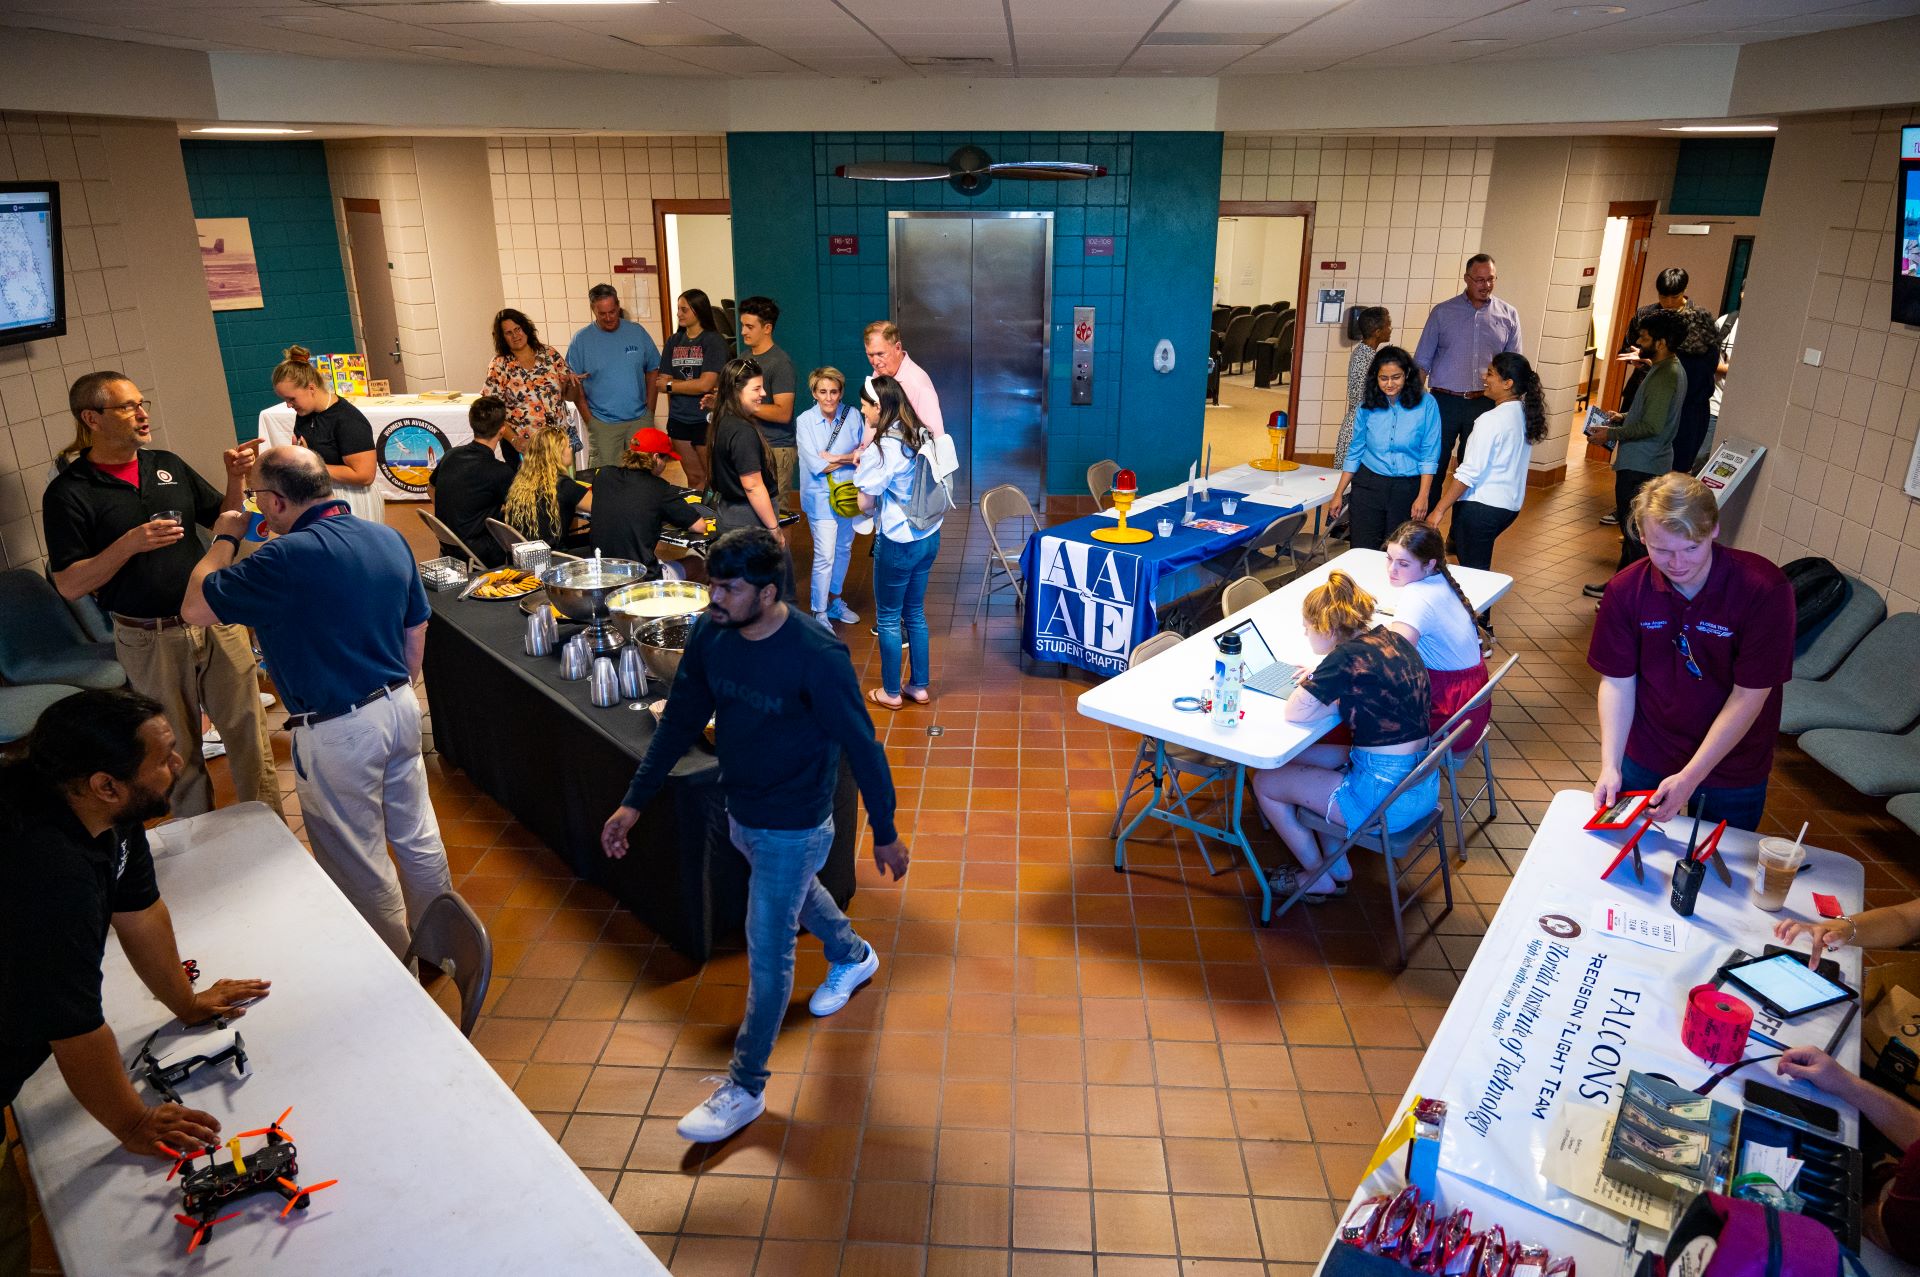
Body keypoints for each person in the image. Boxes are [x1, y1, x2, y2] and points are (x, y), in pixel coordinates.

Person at [599, 529, 909, 1143]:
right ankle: (851, 954)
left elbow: (862, 745)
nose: (714, 596)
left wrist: (885, 830)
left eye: (728, 587)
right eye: (712, 583)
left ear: (768, 593)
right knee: (793, 892)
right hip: (740, 809)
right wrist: (633, 803)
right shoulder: (712, 632)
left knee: (768, 952)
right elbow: (679, 722)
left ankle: (745, 1086)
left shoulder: (816, 654)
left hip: (795, 822)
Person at [0, 689, 270, 1277]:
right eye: (166, 756)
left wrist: (187, 1001)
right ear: (106, 783)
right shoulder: (47, 872)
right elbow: (75, 1027)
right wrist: (133, 1121)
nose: (180, 764)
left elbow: (140, 910)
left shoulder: (111, 818)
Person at [181, 446, 453, 959]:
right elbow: (415, 628)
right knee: (418, 839)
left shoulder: (283, 558)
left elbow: (195, 607)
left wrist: (224, 536)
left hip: (337, 727)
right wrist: (391, 691)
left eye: (261, 498)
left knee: (360, 860)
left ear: (279, 501)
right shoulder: (386, 537)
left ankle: (397, 980)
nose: (259, 508)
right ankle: (443, 951)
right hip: (398, 704)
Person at [42, 371, 281, 821]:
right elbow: (70, 584)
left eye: (141, 403)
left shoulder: (165, 463)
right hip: (148, 637)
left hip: (215, 618)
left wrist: (236, 479)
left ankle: (272, 832)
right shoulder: (70, 493)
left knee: (249, 735)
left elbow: (226, 520)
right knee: (177, 752)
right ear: (92, 418)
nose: (142, 413)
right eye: (127, 406)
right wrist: (129, 543)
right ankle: (201, 846)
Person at [1588, 473, 1794, 830]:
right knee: (1629, 859)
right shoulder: (1626, 590)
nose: (1678, 564)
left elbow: (1749, 696)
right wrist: (1611, 764)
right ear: (1640, 533)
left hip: (1731, 764)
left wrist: (1691, 776)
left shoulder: (1763, 589)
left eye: (1691, 548)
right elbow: (1618, 682)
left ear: (1713, 529)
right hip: (1648, 751)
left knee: (1718, 871)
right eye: (1662, 549)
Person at [1250, 572, 1434, 903]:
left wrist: (1321, 678)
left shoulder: (1345, 658)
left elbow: (1296, 713)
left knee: (1266, 782)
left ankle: (1316, 877)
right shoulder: (1390, 639)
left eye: (1308, 625)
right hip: (1419, 783)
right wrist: (1327, 682)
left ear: (1328, 628)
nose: (1304, 631)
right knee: (1297, 760)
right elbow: (1373, 689)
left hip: (1382, 799)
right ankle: (1339, 867)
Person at [1426, 350, 1547, 628]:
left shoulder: (1490, 421)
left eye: (1491, 373)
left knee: (1474, 574)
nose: (1484, 377)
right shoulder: (1522, 414)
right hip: (1508, 507)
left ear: (1508, 383)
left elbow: (1468, 473)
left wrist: (1439, 510)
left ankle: (1481, 632)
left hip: (1481, 508)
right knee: (1476, 567)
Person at [1584, 309, 1687, 596]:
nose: (1639, 342)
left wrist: (1611, 433)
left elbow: (1653, 425)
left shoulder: (1666, 374)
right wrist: (1623, 417)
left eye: (1644, 337)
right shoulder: (1665, 369)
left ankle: (1628, 593)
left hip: (1643, 463)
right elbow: (1653, 414)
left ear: (1662, 342)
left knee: (1635, 534)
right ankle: (1620, 586)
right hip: (1646, 460)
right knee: (1633, 532)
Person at [855, 374, 942, 711]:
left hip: (899, 541)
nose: (863, 412)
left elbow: (865, 501)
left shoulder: (886, 446)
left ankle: (891, 692)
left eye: (865, 407)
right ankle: (918, 686)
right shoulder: (920, 432)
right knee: (915, 614)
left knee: (890, 618)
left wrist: (867, 498)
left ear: (879, 406)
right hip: (928, 536)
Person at [1412, 254, 1523, 478]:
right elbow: (1422, 361)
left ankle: (1465, 513)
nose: (1486, 286)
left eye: (1491, 279)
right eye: (1480, 280)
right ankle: (1424, 513)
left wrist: (1511, 410)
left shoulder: (1508, 315)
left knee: (1474, 469)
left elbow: (1514, 367)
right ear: (1466, 278)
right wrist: (1413, 405)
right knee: (1432, 466)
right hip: (1444, 403)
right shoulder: (1442, 313)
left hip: (1484, 403)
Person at [1384, 521, 1490, 752]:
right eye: (1389, 558)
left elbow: (1389, 664)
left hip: (1447, 718)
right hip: (1471, 712)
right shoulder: (1441, 579)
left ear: (1429, 563)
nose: (1392, 569)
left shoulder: (1416, 596)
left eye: (1403, 563)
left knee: (1348, 707)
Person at [1329, 346, 1441, 551]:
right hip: (1369, 484)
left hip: (1407, 488)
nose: (1389, 384)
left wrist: (1423, 496)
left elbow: (1429, 454)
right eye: (1383, 378)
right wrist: (1339, 492)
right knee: (1362, 549)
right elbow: (1355, 450)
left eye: (1396, 377)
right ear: (1375, 378)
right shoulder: (1367, 405)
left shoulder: (1427, 404)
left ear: (1407, 374)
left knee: (1399, 551)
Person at [1619, 268, 1721, 474]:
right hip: (1645, 392)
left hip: (1683, 405)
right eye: (1662, 296)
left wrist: (1654, 361)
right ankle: (1633, 503)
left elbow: (1701, 369)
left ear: (1684, 292)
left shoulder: (1699, 323)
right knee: (1635, 458)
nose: (1668, 302)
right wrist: (1639, 359)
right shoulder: (1646, 314)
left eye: (1674, 296)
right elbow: (1627, 347)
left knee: (1673, 467)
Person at [271, 345, 379, 520]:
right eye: (285, 400)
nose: (288, 405)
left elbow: (365, 475)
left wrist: (310, 466)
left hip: (353, 501)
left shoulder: (348, 420)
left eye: (292, 399)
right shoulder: (305, 414)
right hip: (321, 497)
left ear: (311, 388)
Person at [795, 365, 865, 628]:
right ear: (814, 392)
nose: (828, 397)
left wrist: (839, 458)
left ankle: (835, 601)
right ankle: (819, 610)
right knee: (825, 553)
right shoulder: (804, 421)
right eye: (822, 391)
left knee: (844, 549)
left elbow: (864, 456)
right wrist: (850, 460)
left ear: (841, 392)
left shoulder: (853, 416)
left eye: (834, 392)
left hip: (847, 495)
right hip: (819, 496)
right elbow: (816, 465)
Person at [565, 283, 660, 471]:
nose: (609, 318)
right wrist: (590, 420)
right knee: (606, 479)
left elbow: (653, 370)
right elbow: (575, 384)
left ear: (617, 306)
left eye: (612, 311)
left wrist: (650, 411)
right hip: (603, 424)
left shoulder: (637, 332)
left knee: (643, 476)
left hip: (639, 419)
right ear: (593, 310)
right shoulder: (581, 340)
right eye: (602, 314)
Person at [586, 426, 706, 572]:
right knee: (699, 564)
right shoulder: (660, 489)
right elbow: (699, 527)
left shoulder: (604, 475)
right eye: (665, 459)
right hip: (639, 578)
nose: (665, 465)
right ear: (655, 457)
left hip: (600, 571)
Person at [429, 396, 517, 568]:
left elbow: (431, 488)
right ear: (502, 431)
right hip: (478, 551)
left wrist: (453, 516)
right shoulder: (499, 471)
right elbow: (521, 511)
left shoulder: (451, 455)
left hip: (447, 543)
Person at [485, 308, 584, 460]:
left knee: (564, 484)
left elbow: (570, 396)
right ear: (502, 338)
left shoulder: (549, 354)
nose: (515, 335)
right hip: (525, 447)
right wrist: (514, 440)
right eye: (508, 333)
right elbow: (492, 411)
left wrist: (572, 384)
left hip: (559, 442)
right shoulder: (499, 364)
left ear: (525, 328)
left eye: (517, 329)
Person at [658, 289, 729, 494]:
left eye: (684, 309)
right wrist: (687, 384)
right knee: (694, 477)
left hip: (705, 419)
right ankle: (698, 518)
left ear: (698, 311)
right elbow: (661, 382)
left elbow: (705, 384)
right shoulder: (673, 341)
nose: (679, 314)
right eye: (678, 309)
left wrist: (674, 385)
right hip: (679, 418)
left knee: (713, 478)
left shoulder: (713, 341)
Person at [734, 297, 798, 502]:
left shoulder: (780, 362)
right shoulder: (743, 357)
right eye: (742, 325)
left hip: (776, 447)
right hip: (748, 445)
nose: (743, 331)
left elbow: (783, 412)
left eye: (749, 326)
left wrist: (744, 405)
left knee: (779, 515)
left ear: (767, 328)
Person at [501, 428, 591, 550]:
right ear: (557, 453)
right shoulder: (563, 486)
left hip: (524, 558)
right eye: (568, 446)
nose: (571, 449)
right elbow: (601, 507)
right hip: (554, 559)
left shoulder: (520, 484)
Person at [863, 319, 945, 439]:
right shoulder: (878, 373)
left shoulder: (918, 384)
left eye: (881, 354)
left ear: (897, 348)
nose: (875, 362)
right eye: (870, 355)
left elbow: (936, 438)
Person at [1337, 307, 1393, 470]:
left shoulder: (1364, 352)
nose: (1390, 329)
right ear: (1377, 332)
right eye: (1388, 325)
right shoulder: (1368, 359)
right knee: (1353, 484)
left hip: (1358, 423)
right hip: (1360, 427)